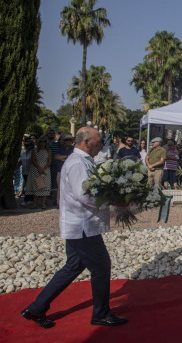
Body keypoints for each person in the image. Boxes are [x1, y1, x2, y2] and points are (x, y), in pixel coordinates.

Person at [20, 127, 128, 329]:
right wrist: (114, 201)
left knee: (73, 266)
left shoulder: (81, 160)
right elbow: (85, 195)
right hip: (82, 226)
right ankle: (101, 313)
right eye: (98, 141)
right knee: (102, 266)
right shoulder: (78, 162)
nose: (101, 144)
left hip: (80, 225)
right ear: (86, 142)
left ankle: (36, 308)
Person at [25, 136, 52, 209]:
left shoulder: (48, 150)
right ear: (38, 142)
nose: (42, 143)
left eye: (44, 141)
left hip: (45, 169)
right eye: (41, 141)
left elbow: (49, 161)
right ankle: (35, 204)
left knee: (45, 186)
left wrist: (43, 168)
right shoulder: (34, 150)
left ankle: (43, 204)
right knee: (36, 186)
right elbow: (33, 160)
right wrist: (39, 168)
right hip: (36, 169)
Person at [54, 134, 75, 207]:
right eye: (67, 140)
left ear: (72, 141)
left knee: (70, 188)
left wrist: (62, 158)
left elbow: (72, 158)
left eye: (70, 140)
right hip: (60, 170)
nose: (68, 141)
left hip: (70, 172)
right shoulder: (60, 149)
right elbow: (56, 157)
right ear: (64, 141)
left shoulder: (74, 150)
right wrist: (66, 157)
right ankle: (59, 203)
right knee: (60, 188)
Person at [18, 140, 34, 207]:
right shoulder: (23, 154)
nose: (26, 147)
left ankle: (27, 200)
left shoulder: (32, 153)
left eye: (28, 145)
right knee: (27, 186)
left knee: (28, 186)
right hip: (24, 171)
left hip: (31, 171)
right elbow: (20, 162)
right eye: (25, 145)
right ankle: (29, 199)